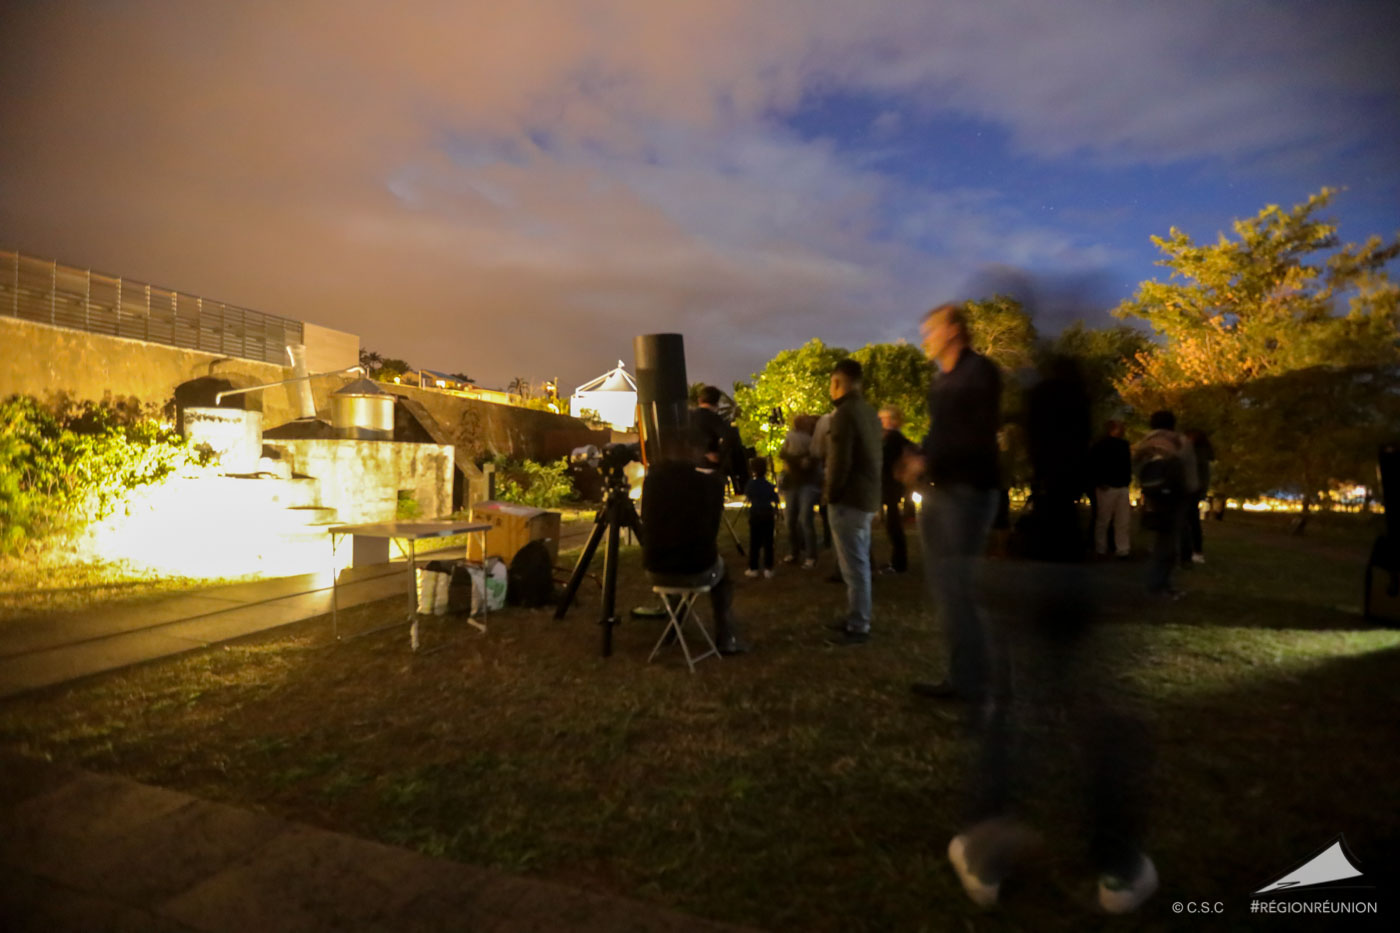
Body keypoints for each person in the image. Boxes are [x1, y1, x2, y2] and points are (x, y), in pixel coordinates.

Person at [947, 356, 1157, 914]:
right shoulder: (1081, 452)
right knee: (1093, 717)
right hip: (1070, 568)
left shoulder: (1027, 440)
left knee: (1011, 711)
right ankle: (1116, 862)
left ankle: (986, 852)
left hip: (1029, 564)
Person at [898, 303, 1002, 701]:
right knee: (947, 588)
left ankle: (974, 680)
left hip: (968, 491)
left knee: (957, 588)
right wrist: (918, 456)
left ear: (954, 330)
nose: (926, 337)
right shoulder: (942, 380)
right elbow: (943, 433)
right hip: (941, 491)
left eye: (932, 329)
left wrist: (929, 459)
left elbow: (977, 435)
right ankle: (966, 674)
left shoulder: (980, 372)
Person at [641, 433, 748, 655]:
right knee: (723, 577)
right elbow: (712, 528)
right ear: (693, 454)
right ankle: (727, 637)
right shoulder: (709, 484)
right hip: (697, 568)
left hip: (655, 570)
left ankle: (674, 627)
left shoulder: (651, 482)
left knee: (682, 570)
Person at [823, 359, 883, 645]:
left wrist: (830, 494)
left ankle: (859, 624)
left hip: (848, 499)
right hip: (867, 497)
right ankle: (856, 615)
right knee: (858, 562)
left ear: (837, 382)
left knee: (854, 566)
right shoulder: (869, 412)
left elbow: (839, 462)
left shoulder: (845, 414)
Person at [1133, 410, 1197, 599]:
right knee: (1168, 543)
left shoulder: (1145, 443)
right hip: (1175, 498)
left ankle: (1160, 584)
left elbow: (1138, 469)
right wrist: (1191, 492)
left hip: (1153, 496)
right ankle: (1158, 585)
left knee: (1161, 539)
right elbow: (1189, 471)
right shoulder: (1180, 442)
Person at [778, 414, 822, 568]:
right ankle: (794, 551)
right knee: (790, 520)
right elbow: (782, 453)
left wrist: (793, 459)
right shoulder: (791, 438)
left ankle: (811, 555)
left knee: (805, 518)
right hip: (793, 483)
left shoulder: (815, 440)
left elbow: (812, 461)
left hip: (808, 483)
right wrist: (796, 459)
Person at [878, 405, 916, 573]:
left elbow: (887, 459)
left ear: (892, 420)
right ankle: (897, 561)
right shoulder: (889, 438)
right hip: (889, 484)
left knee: (893, 524)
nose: (880, 421)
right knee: (892, 523)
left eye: (883, 418)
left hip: (891, 485)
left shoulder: (893, 438)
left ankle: (899, 563)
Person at [1089, 420, 1132, 558]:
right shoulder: (1107, 445)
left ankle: (1109, 548)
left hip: (1114, 485)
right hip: (1112, 485)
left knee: (1112, 519)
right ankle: (1117, 548)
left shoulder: (1102, 445)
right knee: (1111, 519)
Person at [692, 385, 747, 493]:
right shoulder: (713, 418)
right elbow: (730, 436)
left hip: (691, 464)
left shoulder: (689, 417)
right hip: (708, 467)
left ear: (699, 399)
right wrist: (719, 455)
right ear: (717, 402)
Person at [1180, 429, 1213, 566]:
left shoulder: (1196, 454)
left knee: (1190, 521)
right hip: (1193, 490)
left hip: (1191, 490)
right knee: (1191, 521)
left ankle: (1194, 551)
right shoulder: (1201, 454)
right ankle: (1194, 551)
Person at [743, 457, 780, 578]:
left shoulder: (751, 484)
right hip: (768, 515)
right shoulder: (768, 485)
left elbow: (748, 495)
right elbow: (776, 499)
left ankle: (753, 568)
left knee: (754, 542)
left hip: (755, 515)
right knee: (768, 542)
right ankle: (768, 568)